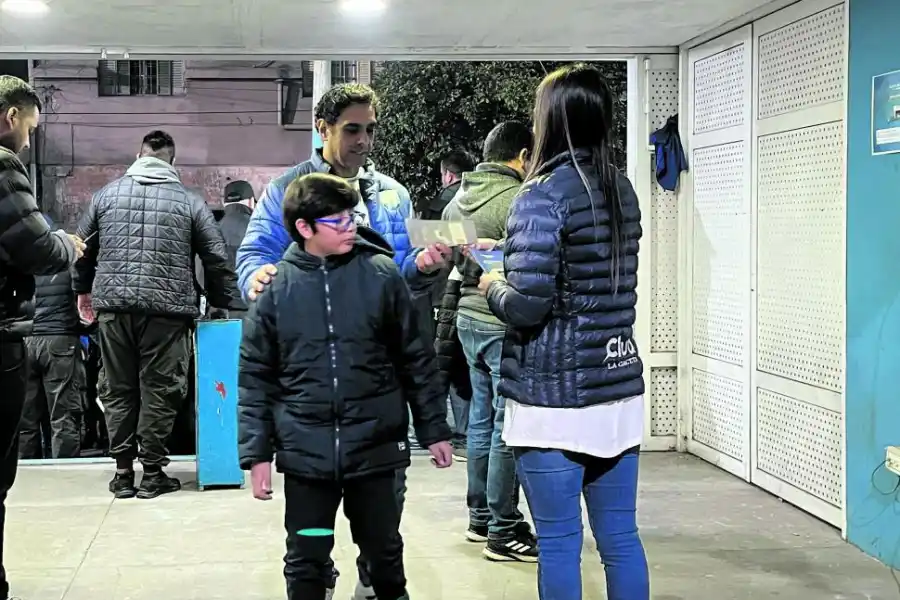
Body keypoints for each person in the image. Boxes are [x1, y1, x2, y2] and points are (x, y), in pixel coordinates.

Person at [236, 82, 448, 600]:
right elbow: (252, 257)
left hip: (377, 412)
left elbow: (400, 286)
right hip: (310, 425)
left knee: (381, 532)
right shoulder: (288, 190)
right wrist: (258, 278)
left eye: (371, 130)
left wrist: (421, 267)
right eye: (352, 129)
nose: (363, 141)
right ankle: (320, 579)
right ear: (323, 129)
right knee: (309, 541)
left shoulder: (393, 195)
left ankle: (373, 580)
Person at [478, 64, 650, 600]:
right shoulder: (621, 188)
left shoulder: (541, 194)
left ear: (550, 120)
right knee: (620, 539)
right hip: (617, 391)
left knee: (558, 542)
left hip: (552, 398)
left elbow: (527, 306)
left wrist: (489, 284)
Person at [73, 130, 236, 500]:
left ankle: (121, 473)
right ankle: (152, 474)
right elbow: (215, 258)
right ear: (172, 161)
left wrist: (82, 291)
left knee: (117, 389)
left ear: (139, 155)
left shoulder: (105, 196)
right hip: (168, 312)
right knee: (160, 389)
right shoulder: (189, 201)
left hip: (114, 308)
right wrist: (218, 301)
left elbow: (81, 249)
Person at [0, 74, 85, 600]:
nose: (29, 142)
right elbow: (35, 247)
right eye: (29, 128)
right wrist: (66, 244)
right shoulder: (3, 164)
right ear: (11, 116)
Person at [439, 121, 537, 562]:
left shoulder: (457, 200)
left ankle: (479, 517)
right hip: (500, 319)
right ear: (520, 156)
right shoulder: (519, 199)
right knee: (503, 422)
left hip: (465, 318)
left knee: (480, 416)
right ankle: (503, 526)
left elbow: (457, 257)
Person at [18, 213, 87, 460]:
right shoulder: (65, 256)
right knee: (64, 416)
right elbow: (83, 300)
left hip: (25, 340)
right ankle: (65, 472)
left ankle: (26, 472)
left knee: (25, 418)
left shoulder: (20, 257)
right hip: (60, 342)